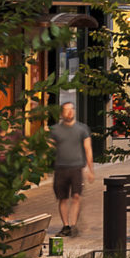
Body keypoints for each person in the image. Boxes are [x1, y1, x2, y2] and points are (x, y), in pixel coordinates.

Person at [50, 101, 94, 237]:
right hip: (60, 168)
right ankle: (66, 226)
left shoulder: (82, 129)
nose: (69, 112)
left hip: (76, 168)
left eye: (71, 109)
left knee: (76, 196)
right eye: (66, 110)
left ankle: (74, 225)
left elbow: (88, 149)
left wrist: (90, 169)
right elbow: (49, 148)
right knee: (62, 198)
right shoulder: (55, 130)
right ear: (61, 113)